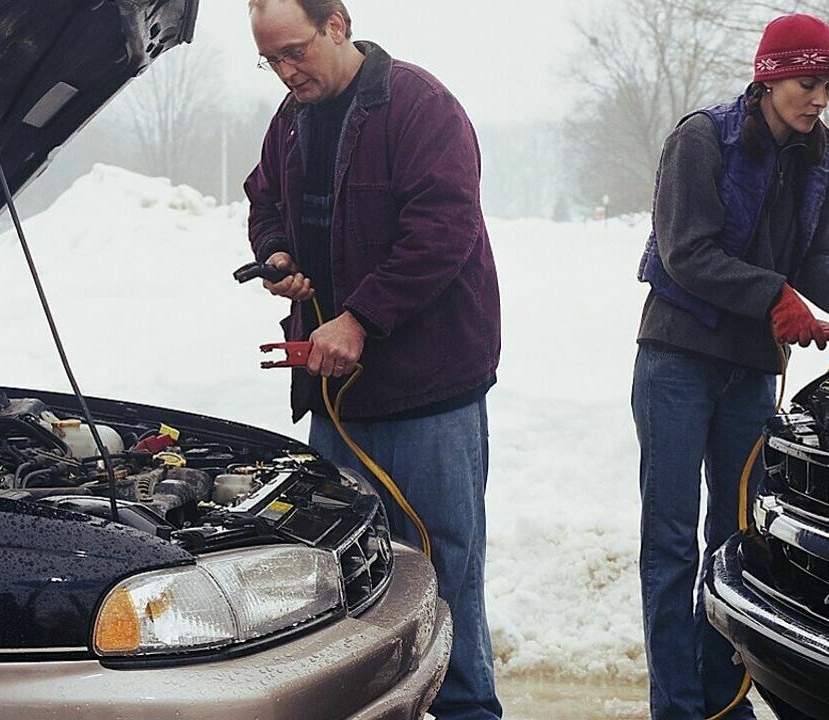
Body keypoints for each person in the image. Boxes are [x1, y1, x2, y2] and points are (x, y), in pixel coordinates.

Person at [243, 2, 502, 718]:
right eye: (270, 61)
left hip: (430, 394)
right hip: (338, 398)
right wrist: (278, 256)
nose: (286, 72)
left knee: (445, 575)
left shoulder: (420, 107)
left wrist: (362, 317)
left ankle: (467, 711)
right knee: (353, 581)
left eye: (294, 52)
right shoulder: (290, 121)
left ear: (337, 25)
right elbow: (263, 200)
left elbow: (443, 233)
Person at [631, 13, 829, 720]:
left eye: (828, 87)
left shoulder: (822, 158)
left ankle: (722, 699)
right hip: (677, 362)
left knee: (735, 541)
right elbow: (687, 252)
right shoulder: (702, 140)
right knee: (672, 543)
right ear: (771, 78)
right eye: (808, 83)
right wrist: (775, 297)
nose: (819, 100)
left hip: (750, 371)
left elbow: (808, 256)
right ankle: (677, 708)